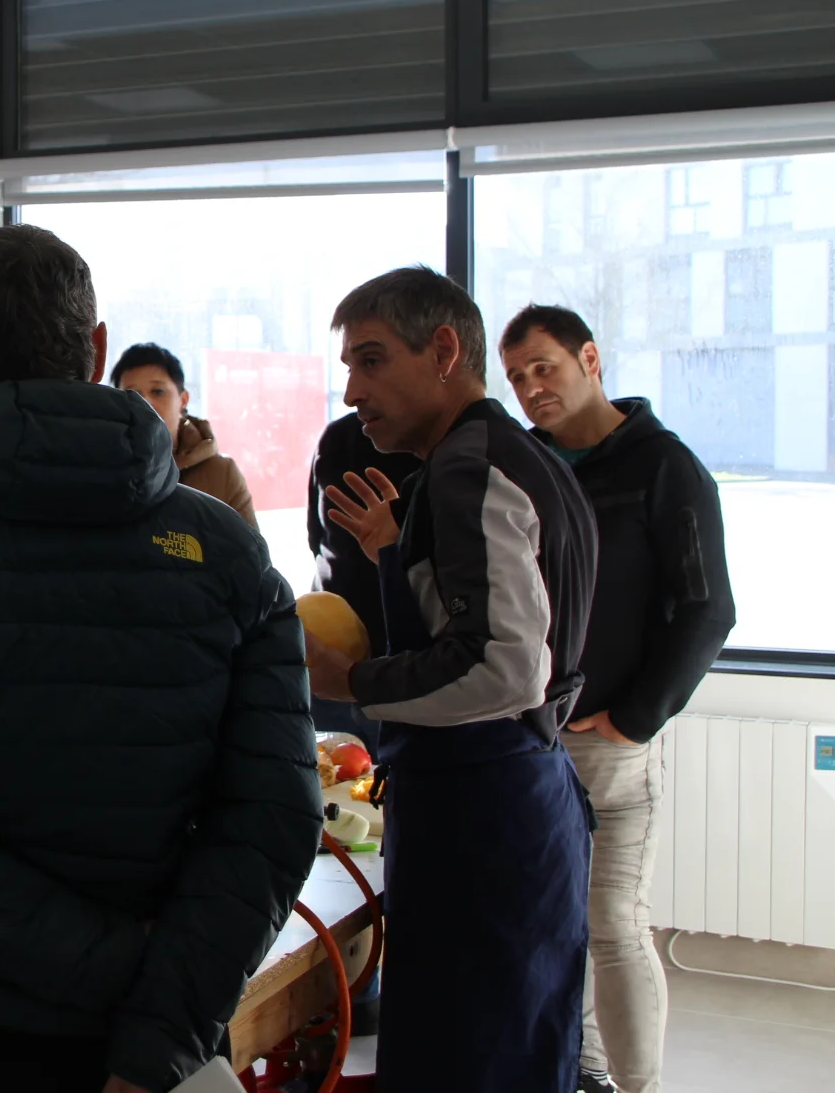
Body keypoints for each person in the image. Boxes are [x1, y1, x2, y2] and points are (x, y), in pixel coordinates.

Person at [0, 225, 322, 1093]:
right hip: (158, 1026)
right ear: (97, 348)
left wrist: (108, 964)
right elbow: (273, 817)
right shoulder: (227, 549)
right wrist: (160, 1016)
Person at [306, 266, 597, 1093]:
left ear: (442, 351)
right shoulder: (514, 457)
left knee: (471, 1059)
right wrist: (397, 554)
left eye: (371, 361)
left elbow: (501, 665)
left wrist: (352, 677)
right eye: (348, 368)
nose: (353, 391)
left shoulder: (469, 471)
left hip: (483, 818)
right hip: (520, 804)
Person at [500, 304, 735, 1093]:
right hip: (528, 735)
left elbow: (708, 607)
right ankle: (585, 1073)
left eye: (545, 368)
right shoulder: (525, 465)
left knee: (612, 927)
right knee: (549, 925)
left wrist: (637, 718)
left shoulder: (663, 465)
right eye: (517, 378)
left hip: (610, 740)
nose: (532, 388)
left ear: (590, 359)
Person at [305, 412, 420, 748]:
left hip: (405, 669)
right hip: (329, 657)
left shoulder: (440, 449)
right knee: (332, 770)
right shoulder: (337, 437)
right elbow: (316, 536)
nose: (352, 394)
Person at [110, 342, 257, 527]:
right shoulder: (102, 468)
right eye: (133, 394)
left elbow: (249, 545)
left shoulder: (222, 474)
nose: (145, 403)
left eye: (158, 391)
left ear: (183, 400)